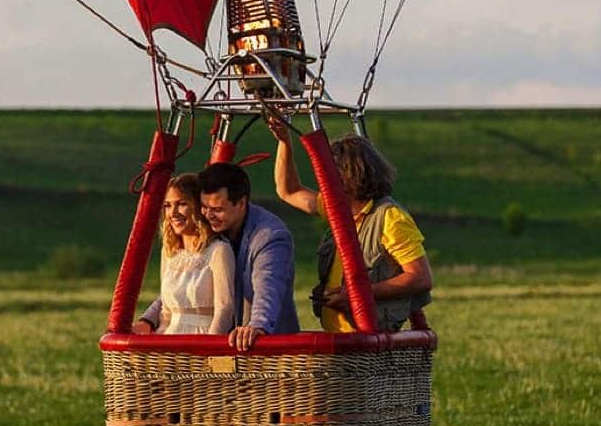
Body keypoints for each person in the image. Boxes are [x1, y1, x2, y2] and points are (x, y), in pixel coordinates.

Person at [268, 117, 432, 332]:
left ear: (347, 175)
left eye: (328, 173)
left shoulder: (390, 218)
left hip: (370, 339)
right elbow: (288, 191)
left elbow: (420, 278)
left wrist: (360, 294)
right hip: (339, 338)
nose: (322, 180)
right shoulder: (337, 209)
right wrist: (284, 142)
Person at [198, 162, 300, 350]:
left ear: (241, 203)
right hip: (222, 344)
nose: (209, 215)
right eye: (204, 207)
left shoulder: (270, 236)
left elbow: (268, 285)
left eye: (218, 209)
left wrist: (258, 325)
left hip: (265, 352)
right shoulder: (205, 228)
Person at [134, 174, 236, 335]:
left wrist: (208, 350)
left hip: (202, 339)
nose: (173, 213)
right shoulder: (169, 252)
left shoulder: (219, 251)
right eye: (167, 205)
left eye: (182, 204)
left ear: (198, 206)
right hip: (169, 341)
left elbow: (224, 310)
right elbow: (166, 312)